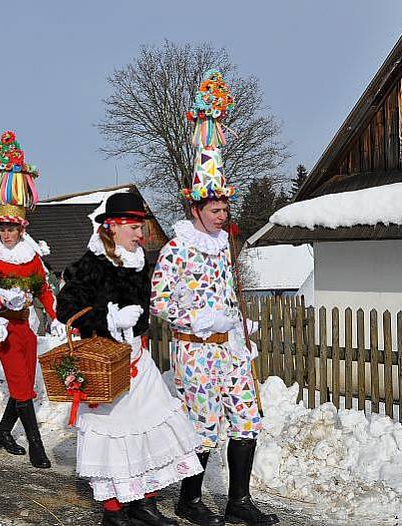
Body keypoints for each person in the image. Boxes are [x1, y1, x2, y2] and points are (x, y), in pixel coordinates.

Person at [150, 71, 278, 526]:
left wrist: (241, 330)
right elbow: (161, 303)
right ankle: (190, 500)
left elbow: (228, 292)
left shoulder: (224, 243)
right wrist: (200, 318)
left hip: (230, 349)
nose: (223, 215)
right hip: (196, 349)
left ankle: (238, 499)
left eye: (225, 208)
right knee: (203, 428)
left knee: (247, 420)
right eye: (216, 209)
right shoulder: (177, 247)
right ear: (196, 209)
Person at [57, 192, 201, 526]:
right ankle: (113, 511)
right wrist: (107, 320)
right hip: (104, 363)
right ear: (114, 227)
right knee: (114, 433)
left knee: (148, 427)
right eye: (135, 227)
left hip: (138, 357)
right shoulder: (90, 264)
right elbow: (65, 309)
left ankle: (144, 504)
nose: (141, 234)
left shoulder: (139, 261)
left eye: (141, 227)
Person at [0, 131, 64, 470]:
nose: (6, 234)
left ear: (22, 229)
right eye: (2, 228)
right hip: (4, 331)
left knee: (23, 385)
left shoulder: (30, 258)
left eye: (12, 229)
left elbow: (44, 289)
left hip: (26, 328)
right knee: (21, 386)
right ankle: (36, 446)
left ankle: (2, 433)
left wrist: (55, 316)